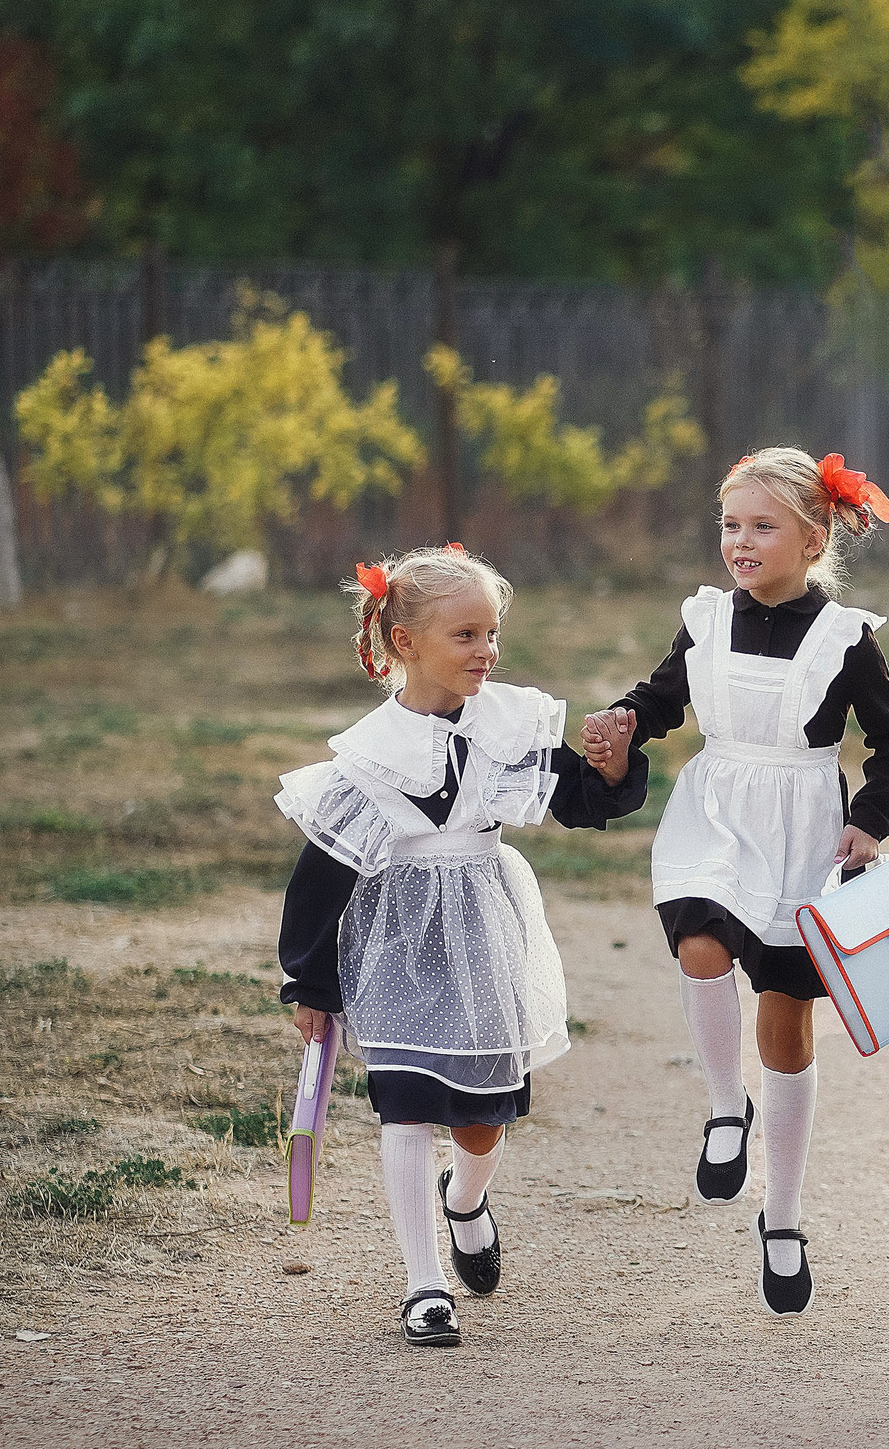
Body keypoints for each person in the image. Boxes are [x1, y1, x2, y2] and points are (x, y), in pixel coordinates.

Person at [275, 544, 645, 1349]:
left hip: (482, 926)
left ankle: (467, 1200)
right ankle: (422, 1283)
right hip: (393, 939)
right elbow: (320, 876)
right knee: (404, 1105)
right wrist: (308, 983)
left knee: (481, 1122)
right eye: (467, 636)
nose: (487, 651)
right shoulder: (368, 759)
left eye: (492, 633)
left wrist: (612, 772)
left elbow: (580, 802)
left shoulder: (509, 724)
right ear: (405, 643)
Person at [585, 448, 889, 1315]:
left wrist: (869, 819)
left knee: (785, 1018)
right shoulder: (703, 620)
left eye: (763, 526)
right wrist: (624, 723)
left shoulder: (846, 638)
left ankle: (784, 1213)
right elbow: (661, 700)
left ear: (813, 539)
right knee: (699, 937)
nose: (741, 541)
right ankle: (723, 1109)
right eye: (731, 525)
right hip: (719, 810)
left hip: (804, 825)